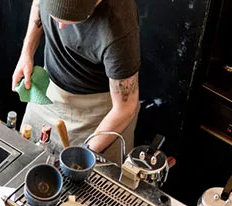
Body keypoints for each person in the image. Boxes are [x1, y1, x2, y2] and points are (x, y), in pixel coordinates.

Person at [12, 0, 141, 162]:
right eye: (55, 17)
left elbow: (125, 108)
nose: (61, 27)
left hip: (97, 116)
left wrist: (84, 154)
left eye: (72, 20)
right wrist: (27, 52)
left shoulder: (119, 28)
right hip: (47, 94)